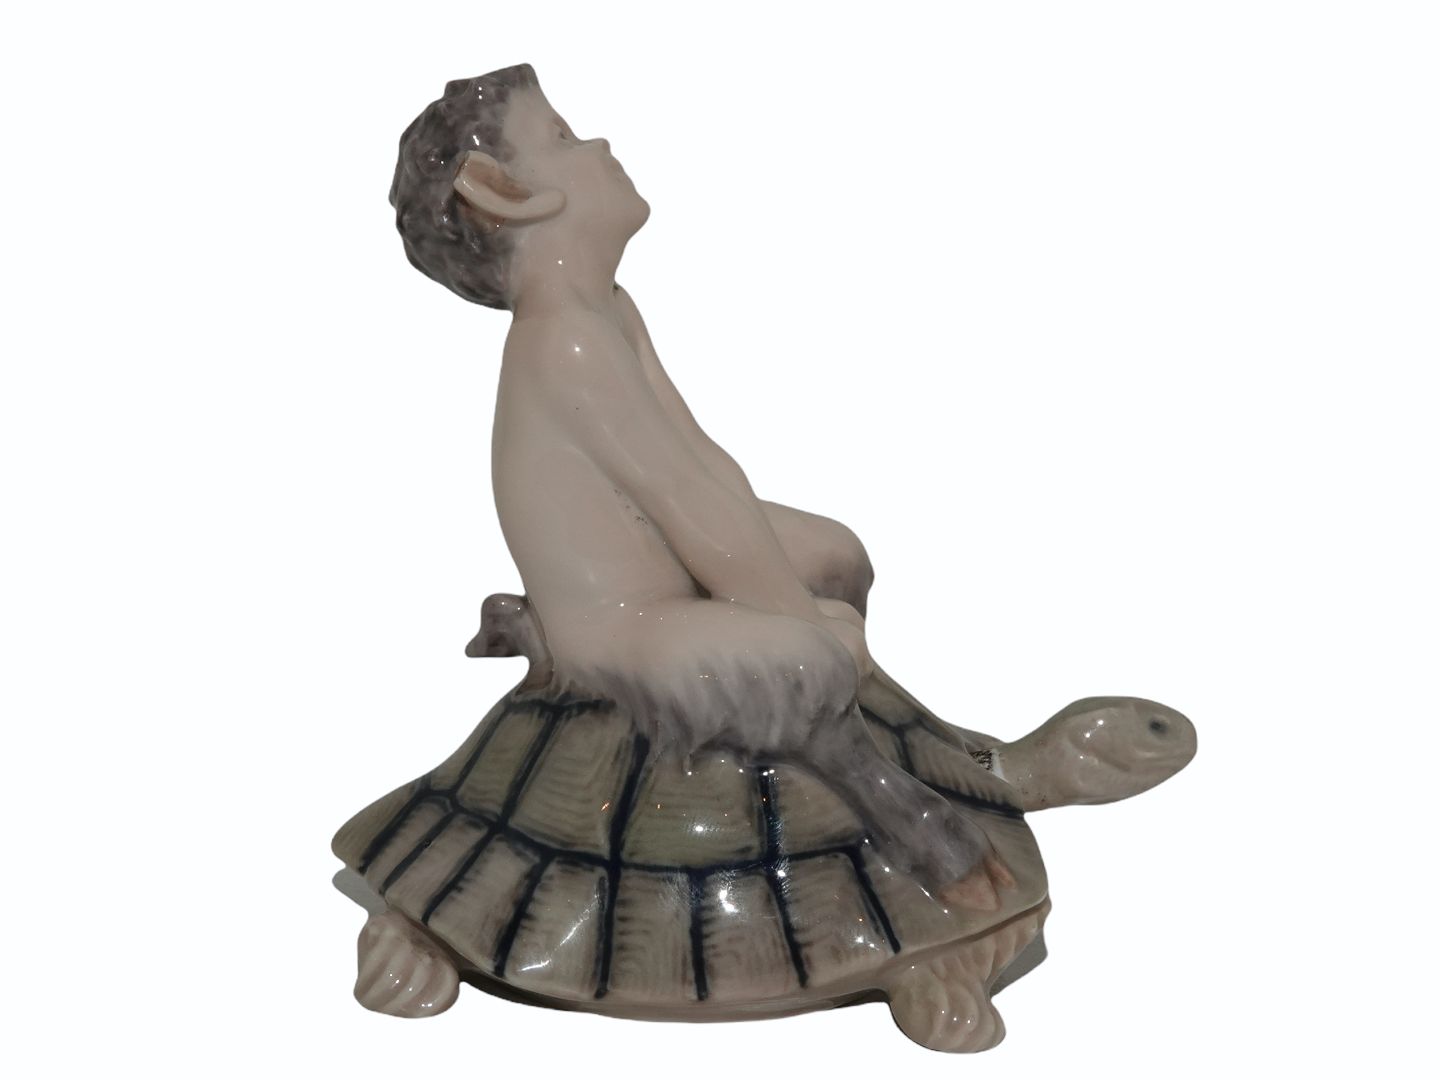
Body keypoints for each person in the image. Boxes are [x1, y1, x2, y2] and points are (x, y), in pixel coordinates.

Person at [388, 65, 993, 893]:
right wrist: (798, 621)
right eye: (562, 138)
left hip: (666, 575)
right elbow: (685, 500)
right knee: (807, 660)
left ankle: (870, 728)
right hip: (617, 624)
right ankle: (898, 814)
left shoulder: (607, 309)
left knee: (836, 556)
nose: (598, 143)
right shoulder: (563, 341)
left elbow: (702, 468)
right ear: (506, 193)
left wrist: (791, 595)